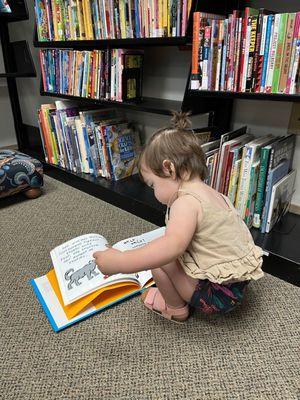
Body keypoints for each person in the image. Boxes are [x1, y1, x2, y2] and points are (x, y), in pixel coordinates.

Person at [93, 112, 264, 323]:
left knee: (161, 259)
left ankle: (175, 308)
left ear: (169, 168)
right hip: (235, 284)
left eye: (153, 184)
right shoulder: (213, 194)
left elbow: (171, 248)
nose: (154, 193)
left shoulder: (186, 202)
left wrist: (120, 262)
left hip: (216, 296)